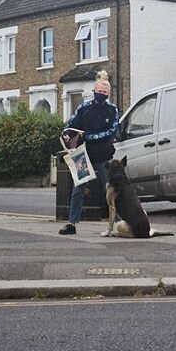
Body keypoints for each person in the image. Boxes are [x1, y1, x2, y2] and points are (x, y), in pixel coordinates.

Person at [59, 70, 120, 235]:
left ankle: (122, 221)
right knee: (78, 189)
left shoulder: (112, 110)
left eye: (104, 92)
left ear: (108, 94)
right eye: (99, 92)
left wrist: (89, 136)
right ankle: (71, 224)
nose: (101, 94)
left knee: (110, 189)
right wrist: (66, 133)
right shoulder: (83, 108)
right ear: (94, 92)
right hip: (83, 154)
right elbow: (71, 124)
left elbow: (112, 132)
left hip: (103, 156)